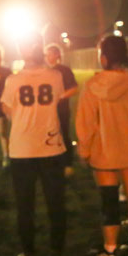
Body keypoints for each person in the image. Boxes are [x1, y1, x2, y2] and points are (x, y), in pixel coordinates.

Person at [75, 35, 128, 256]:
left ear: (104, 56)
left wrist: (85, 149)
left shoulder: (93, 86)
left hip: (104, 151)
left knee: (109, 199)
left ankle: (110, 247)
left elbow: (85, 123)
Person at [0, 33, 67, 256]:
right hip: (51, 146)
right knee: (55, 201)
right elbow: (57, 100)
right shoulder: (56, 76)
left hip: (22, 148)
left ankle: (28, 250)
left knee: (24, 204)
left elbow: (7, 110)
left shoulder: (13, 80)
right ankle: (57, 249)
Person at [44, 44, 79, 175]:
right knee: (48, 135)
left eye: (49, 54)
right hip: (46, 110)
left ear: (57, 55)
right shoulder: (43, 70)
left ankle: (67, 163)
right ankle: (51, 162)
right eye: (46, 54)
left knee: (63, 135)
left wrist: (60, 97)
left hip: (61, 109)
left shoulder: (64, 70)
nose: (47, 57)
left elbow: (74, 88)